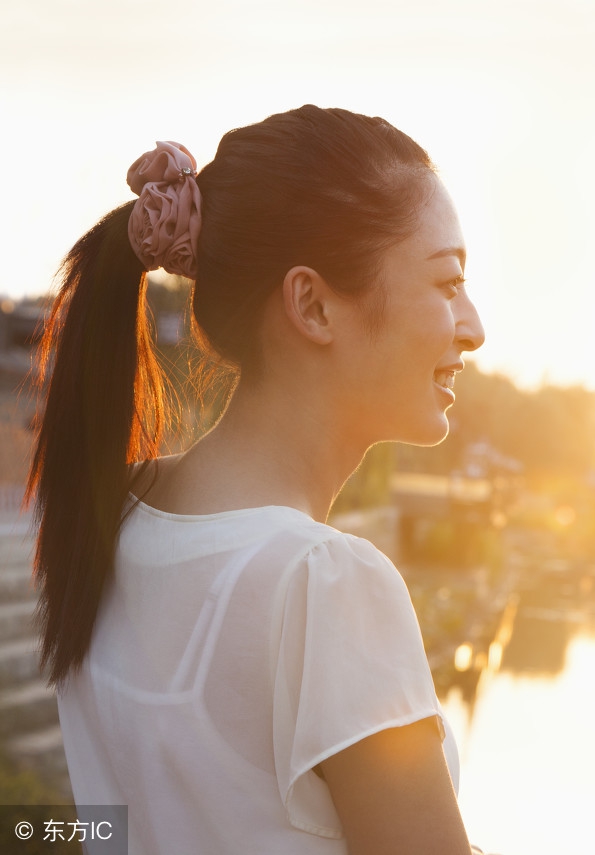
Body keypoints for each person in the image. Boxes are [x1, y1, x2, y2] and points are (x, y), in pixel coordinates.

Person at [28, 106, 482, 855]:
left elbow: (96, 828)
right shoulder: (326, 586)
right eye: (447, 283)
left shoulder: (110, 518)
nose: (472, 325)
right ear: (311, 304)